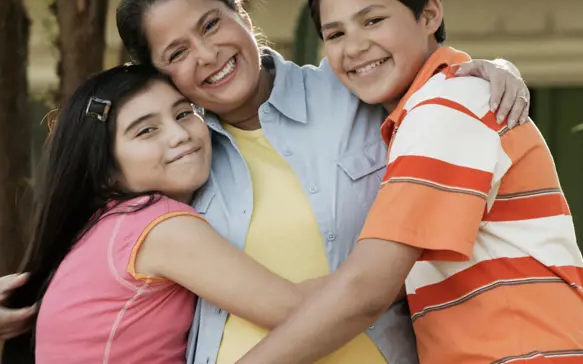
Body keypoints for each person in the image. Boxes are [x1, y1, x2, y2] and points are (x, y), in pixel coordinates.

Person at [1, 0, 530, 363]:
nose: (207, 55)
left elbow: (422, 74)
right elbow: (104, 268)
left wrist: (479, 67)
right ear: (157, 76)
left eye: (211, 25)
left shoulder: (352, 91)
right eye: (177, 53)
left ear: (243, 15)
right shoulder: (175, 161)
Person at [237, 0, 583, 364]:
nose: (355, 46)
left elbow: (366, 290)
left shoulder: (448, 103)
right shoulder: (426, 111)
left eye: (373, 20)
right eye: (336, 33)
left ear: (429, 14)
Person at [3, 65, 335, 363]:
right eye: (146, 131)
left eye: (183, 114)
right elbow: (293, 310)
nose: (179, 135)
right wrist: (382, 265)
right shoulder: (158, 226)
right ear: (105, 171)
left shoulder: (100, 228)